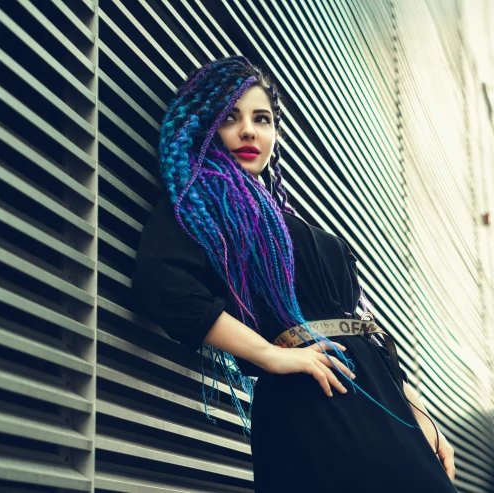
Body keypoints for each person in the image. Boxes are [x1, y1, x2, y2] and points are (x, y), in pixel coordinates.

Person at [132, 56, 456, 492]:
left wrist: (417, 410)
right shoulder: (205, 199)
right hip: (316, 407)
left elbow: (360, 330)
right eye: (230, 117)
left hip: (382, 402)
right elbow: (165, 286)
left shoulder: (285, 221)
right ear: (202, 127)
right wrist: (273, 354)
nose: (249, 130)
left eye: (261, 119)